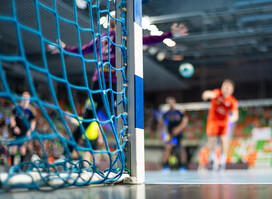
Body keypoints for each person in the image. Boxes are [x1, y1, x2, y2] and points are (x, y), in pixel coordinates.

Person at [49, 11, 188, 156]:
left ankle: (67, 153)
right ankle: (124, 154)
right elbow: (147, 39)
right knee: (122, 119)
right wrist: (169, 35)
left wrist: (64, 49)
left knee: (88, 120)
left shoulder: (102, 38)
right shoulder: (120, 37)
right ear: (122, 21)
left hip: (98, 84)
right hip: (114, 86)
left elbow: (81, 51)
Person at [202, 79, 238, 170]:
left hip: (224, 123)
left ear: (232, 90)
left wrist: (231, 119)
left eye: (228, 87)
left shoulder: (233, 101)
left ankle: (222, 161)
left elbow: (235, 115)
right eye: (224, 86)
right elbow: (209, 93)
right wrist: (206, 95)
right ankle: (213, 160)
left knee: (224, 140)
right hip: (213, 121)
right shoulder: (217, 93)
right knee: (212, 140)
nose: (225, 89)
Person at [160, 97, 188, 171]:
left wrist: (178, 129)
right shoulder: (166, 113)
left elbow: (185, 121)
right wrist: (162, 134)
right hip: (170, 134)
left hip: (179, 133)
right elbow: (162, 124)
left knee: (181, 148)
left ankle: (183, 165)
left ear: (174, 102)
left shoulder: (179, 112)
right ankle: (165, 165)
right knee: (168, 148)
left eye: (172, 101)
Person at [8, 92, 36, 165]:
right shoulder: (17, 107)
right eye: (24, 98)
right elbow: (12, 118)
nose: (25, 100)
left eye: (27, 99)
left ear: (29, 100)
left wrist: (30, 131)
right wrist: (14, 127)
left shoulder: (30, 110)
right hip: (17, 131)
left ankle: (21, 167)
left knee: (22, 150)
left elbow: (33, 122)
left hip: (25, 132)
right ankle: (12, 166)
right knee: (13, 148)